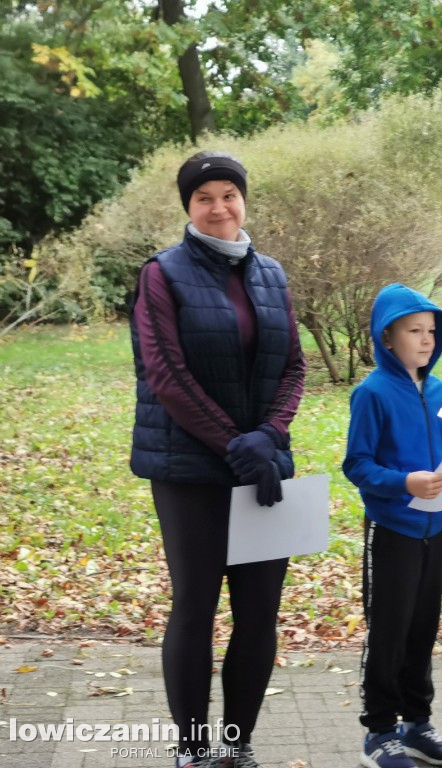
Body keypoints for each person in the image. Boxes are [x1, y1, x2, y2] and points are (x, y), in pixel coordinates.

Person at [130, 151, 306, 768]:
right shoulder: (163, 274)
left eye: (229, 194)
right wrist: (236, 442)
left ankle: (239, 744)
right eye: (204, 196)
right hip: (189, 470)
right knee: (196, 605)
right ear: (188, 207)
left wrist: (270, 434)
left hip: (261, 464)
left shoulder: (273, 275)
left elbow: (293, 366)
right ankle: (192, 749)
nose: (219, 207)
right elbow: (167, 375)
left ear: (244, 200)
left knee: (259, 612)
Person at [343, 283, 442, 768]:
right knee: (389, 631)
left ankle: (417, 724)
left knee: (423, 627)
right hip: (392, 531)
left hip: (433, 530)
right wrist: (406, 482)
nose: (426, 340)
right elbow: (357, 466)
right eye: (414, 331)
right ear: (388, 337)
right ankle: (379, 732)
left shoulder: (440, 390)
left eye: (431, 331)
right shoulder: (371, 393)